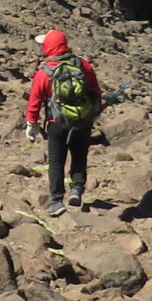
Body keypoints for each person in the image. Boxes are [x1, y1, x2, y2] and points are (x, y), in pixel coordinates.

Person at [23, 28, 102, 215]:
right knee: (80, 155)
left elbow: (35, 100)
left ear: (49, 47)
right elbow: (95, 91)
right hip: (82, 121)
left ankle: (57, 201)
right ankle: (77, 189)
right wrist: (95, 113)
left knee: (56, 161)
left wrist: (31, 124)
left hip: (57, 122)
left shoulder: (45, 72)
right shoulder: (82, 65)